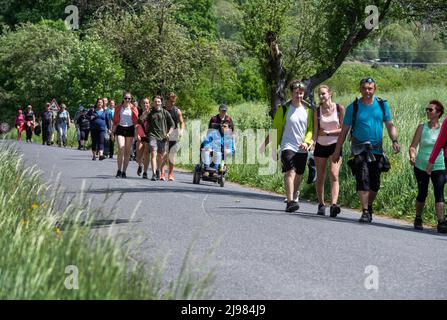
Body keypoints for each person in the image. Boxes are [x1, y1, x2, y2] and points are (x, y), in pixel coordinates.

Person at [332, 77, 400, 223]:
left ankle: (368, 205)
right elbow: (344, 131)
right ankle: (364, 211)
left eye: (370, 88)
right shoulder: (353, 107)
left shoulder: (382, 105)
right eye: (364, 88)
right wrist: (337, 151)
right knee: (362, 179)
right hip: (359, 150)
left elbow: (389, 125)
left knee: (374, 183)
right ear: (360, 89)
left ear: (374, 89)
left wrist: (394, 140)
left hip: (376, 150)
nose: (367, 91)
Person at [260, 80, 314, 212]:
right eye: (296, 93)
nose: (299, 96)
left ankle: (294, 194)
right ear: (291, 93)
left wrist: (307, 142)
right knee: (290, 171)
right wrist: (266, 146)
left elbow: (311, 130)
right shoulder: (283, 110)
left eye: (301, 93)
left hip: (302, 147)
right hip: (287, 145)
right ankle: (290, 202)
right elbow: (275, 130)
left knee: (299, 174)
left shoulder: (308, 111)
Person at [412, 101, 447, 233]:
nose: (427, 111)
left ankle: (441, 222)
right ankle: (418, 217)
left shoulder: (444, 128)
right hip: (421, 165)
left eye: (430, 110)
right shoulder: (422, 127)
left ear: (438, 113)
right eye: (426, 109)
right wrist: (412, 156)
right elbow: (413, 146)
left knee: (439, 193)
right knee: (423, 192)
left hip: (439, 166)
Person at [312, 85, 345, 217]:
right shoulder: (317, 111)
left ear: (330, 94)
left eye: (323, 94)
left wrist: (328, 132)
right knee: (320, 176)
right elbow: (316, 131)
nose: (321, 96)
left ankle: (334, 205)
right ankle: (321, 204)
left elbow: (344, 129)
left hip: (335, 145)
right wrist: (312, 143)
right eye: (319, 94)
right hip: (320, 145)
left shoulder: (339, 108)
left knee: (334, 174)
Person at [146, 95, 175, 181]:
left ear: (161, 103)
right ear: (153, 103)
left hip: (162, 137)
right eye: (155, 101)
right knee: (153, 154)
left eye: (158, 101)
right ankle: (154, 174)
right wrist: (144, 114)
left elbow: (172, 125)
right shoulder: (150, 113)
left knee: (160, 156)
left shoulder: (165, 112)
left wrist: (169, 133)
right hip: (152, 136)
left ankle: (158, 169)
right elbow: (141, 121)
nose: (157, 103)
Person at [112, 92, 139, 178]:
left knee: (127, 152)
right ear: (123, 99)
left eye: (129, 99)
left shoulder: (133, 108)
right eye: (125, 98)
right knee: (121, 148)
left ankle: (124, 171)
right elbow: (115, 121)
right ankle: (119, 170)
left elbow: (136, 122)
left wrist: (136, 134)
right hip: (120, 128)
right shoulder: (118, 108)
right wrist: (112, 133)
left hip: (130, 129)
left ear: (131, 99)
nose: (127, 100)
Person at [160, 92, 185, 181]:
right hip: (163, 133)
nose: (173, 103)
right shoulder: (161, 110)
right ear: (167, 100)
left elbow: (182, 122)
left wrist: (181, 131)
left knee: (172, 155)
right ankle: (162, 173)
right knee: (163, 154)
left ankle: (170, 174)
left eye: (174, 101)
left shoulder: (177, 111)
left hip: (174, 134)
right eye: (171, 101)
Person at [136, 98, 151, 179]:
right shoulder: (139, 112)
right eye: (144, 103)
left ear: (149, 104)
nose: (145, 105)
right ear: (142, 104)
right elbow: (137, 123)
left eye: (147, 103)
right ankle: (140, 165)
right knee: (138, 155)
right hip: (141, 135)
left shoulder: (152, 113)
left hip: (148, 135)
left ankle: (145, 172)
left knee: (146, 153)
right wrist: (137, 134)